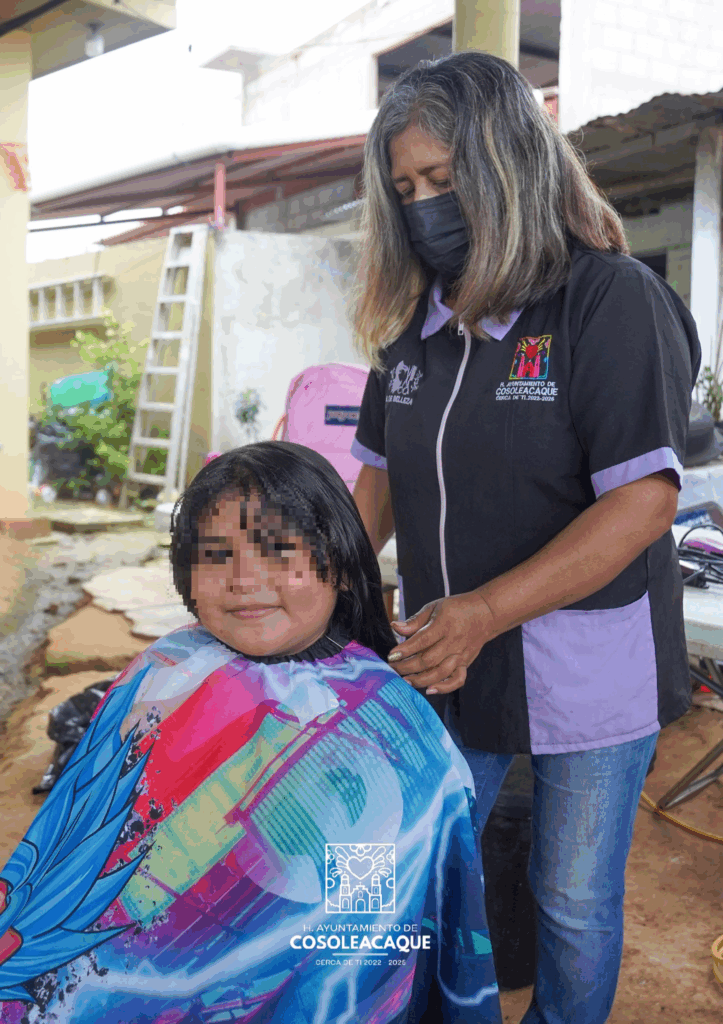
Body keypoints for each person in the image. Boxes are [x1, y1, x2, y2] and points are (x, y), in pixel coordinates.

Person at [351, 51, 701, 1024]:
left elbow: (642, 502)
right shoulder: (413, 325)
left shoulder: (607, 301)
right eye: (405, 190)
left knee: (571, 898)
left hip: (585, 664)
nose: (425, 207)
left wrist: (485, 610)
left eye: (442, 178)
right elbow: (375, 484)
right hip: (445, 656)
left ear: (505, 163)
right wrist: (320, 589)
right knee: (423, 871)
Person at [0, 442, 501, 1024]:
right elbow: (69, 855)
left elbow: (364, 937)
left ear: (340, 561)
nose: (243, 579)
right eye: (216, 554)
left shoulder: (380, 721)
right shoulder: (164, 670)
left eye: (278, 550)